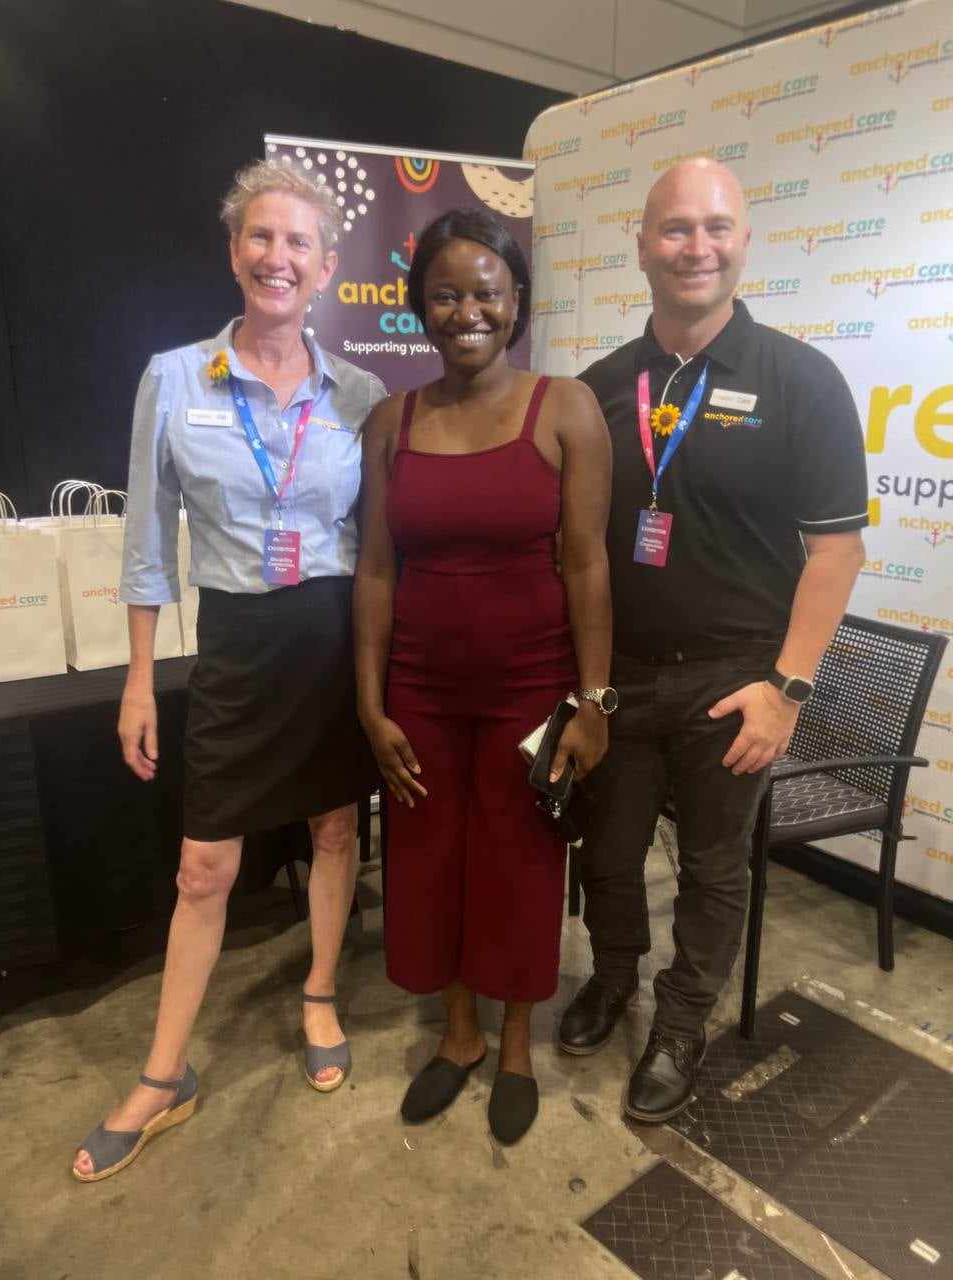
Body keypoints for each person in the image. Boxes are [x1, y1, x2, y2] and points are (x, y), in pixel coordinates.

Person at [72, 160, 385, 1182]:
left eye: (299, 242)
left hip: (335, 640)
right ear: (234, 251)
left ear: (326, 267)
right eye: (261, 236)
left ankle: (320, 992)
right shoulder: (173, 378)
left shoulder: (363, 394)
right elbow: (146, 543)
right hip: (237, 647)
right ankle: (164, 1074)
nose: (277, 257)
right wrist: (136, 679)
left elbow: (381, 544)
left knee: (335, 830)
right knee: (203, 866)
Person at [558, 158, 867, 1123]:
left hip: (736, 685)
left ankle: (682, 1023)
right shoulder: (598, 390)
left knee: (712, 869)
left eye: (717, 227)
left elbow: (837, 553)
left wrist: (787, 691)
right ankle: (615, 977)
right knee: (606, 856)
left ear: (744, 243)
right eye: (676, 228)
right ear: (641, 246)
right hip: (618, 680)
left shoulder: (802, 381)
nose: (697, 247)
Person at [354, 208, 613, 1144]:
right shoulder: (392, 422)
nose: (467, 312)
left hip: (531, 693)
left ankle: (512, 1046)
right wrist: (370, 704)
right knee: (432, 862)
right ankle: (457, 1033)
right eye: (445, 295)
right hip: (420, 693)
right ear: (419, 308)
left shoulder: (567, 409)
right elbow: (375, 569)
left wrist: (594, 701)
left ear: (517, 302)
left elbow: (587, 563)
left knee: (520, 865)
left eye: (487, 294)